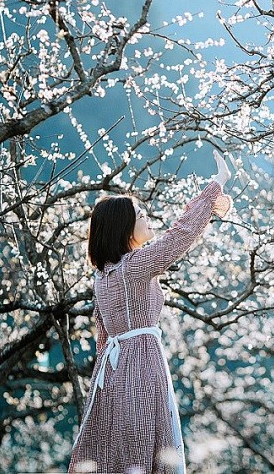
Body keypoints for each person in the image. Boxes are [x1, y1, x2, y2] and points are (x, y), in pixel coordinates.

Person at [68, 150, 232, 474]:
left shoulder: (102, 276)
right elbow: (180, 236)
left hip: (113, 373)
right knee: (146, 444)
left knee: (122, 447)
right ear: (124, 228)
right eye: (140, 214)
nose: (146, 218)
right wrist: (217, 184)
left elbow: (103, 335)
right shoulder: (132, 267)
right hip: (141, 364)